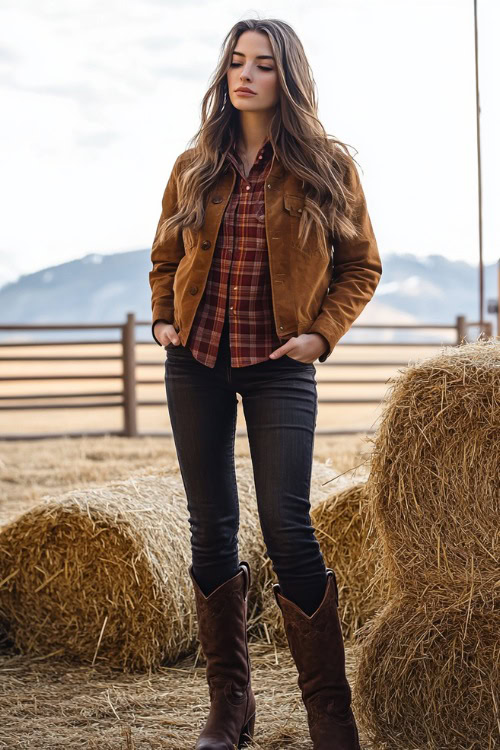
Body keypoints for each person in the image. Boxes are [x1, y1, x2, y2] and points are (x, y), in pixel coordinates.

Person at [149, 17, 381, 750]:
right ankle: (231, 709)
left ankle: (330, 717)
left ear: (290, 77)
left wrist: (320, 335)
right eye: (236, 62)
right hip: (197, 363)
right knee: (210, 528)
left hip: (280, 368)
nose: (245, 75)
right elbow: (163, 256)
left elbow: (361, 266)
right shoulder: (195, 163)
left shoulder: (327, 166)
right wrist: (163, 321)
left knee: (289, 528)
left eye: (264, 65)